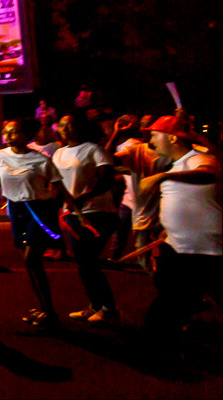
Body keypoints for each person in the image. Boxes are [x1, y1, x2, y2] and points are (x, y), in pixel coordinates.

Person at [139, 115, 222, 351]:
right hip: (179, 247)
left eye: (155, 135)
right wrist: (166, 230)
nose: (151, 141)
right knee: (170, 299)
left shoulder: (199, 159)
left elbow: (207, 175)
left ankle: (160, 345)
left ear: (173, 138)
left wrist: (163, 176)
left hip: (206, 251)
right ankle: (161, 344)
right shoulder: (176, 165)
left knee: (174, 301)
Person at [0, 118, 71, 328]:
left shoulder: (41, 160)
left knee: (31, 259)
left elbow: (59, 187)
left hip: (39, 209)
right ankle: (44, 309)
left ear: (26, 135)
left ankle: (50, 312)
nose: (7, 136)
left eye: (13, 132)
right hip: (16, 210)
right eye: (6, 132)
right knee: (31, 263)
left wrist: (77, 212)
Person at [51, 113, 119, 324]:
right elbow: (57, 184)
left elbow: (107, 181)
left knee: (88, 261)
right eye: (62, 125)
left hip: (96, 212)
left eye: (70, 125)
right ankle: (95, 305)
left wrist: (82, 198)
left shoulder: (94, 150)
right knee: (83, 263)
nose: (65, 129)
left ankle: (108, 309)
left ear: (80, 127)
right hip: (71, 214)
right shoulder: (59, 153)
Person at [113, 116, 170, 273]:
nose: (146, 131)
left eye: (150, 128)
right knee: (140, 248)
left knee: (165, 249)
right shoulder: (137, 150)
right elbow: (107, 161)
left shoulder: (170, 153)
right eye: (144, 127)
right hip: (140, 207)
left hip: (165, 210)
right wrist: (116, 134)